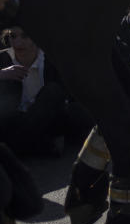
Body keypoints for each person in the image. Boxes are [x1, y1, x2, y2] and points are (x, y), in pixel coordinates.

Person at [0, 27, 92, 156]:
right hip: (14, 120)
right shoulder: (3, 58)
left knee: (54, 93)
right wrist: (2, 74)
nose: (18, 43)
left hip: (49, 120)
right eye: (13, 36)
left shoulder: (52, 58)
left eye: (25, 36)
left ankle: (24, 145)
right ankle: (40, 145)